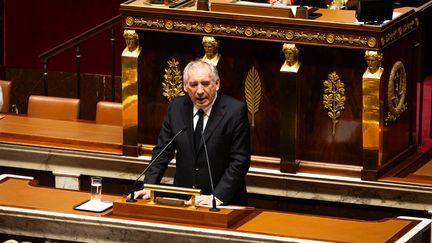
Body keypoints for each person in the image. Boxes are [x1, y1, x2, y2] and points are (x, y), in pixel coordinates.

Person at [132, 59, 251, 206]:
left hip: (223, 203)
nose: (200, 91)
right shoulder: (176, 107)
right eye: (194, 85)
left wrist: (217, 196)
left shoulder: (235, 111)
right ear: (185, 87)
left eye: (205, 84)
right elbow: (162, 153)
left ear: (217, 84)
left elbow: (240, 161)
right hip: (184, 200)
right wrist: (149, 186)